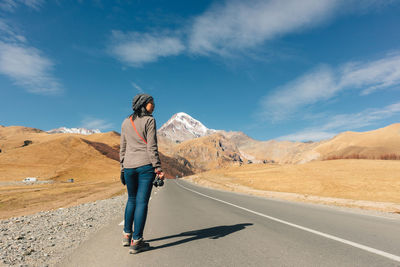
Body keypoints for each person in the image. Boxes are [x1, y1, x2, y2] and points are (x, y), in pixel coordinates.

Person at [119, 93, 165, 254]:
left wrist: (122, 168)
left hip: (129, 167)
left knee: (131, 199)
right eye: (151, 103)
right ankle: (137, 241)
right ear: (144, 104)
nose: (154, 105)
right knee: (141, 202)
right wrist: (158, 168)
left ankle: (126, 235)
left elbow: (122, 148)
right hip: (145, 166)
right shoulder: (149, 121)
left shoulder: (126, 122)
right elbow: (151, 147)